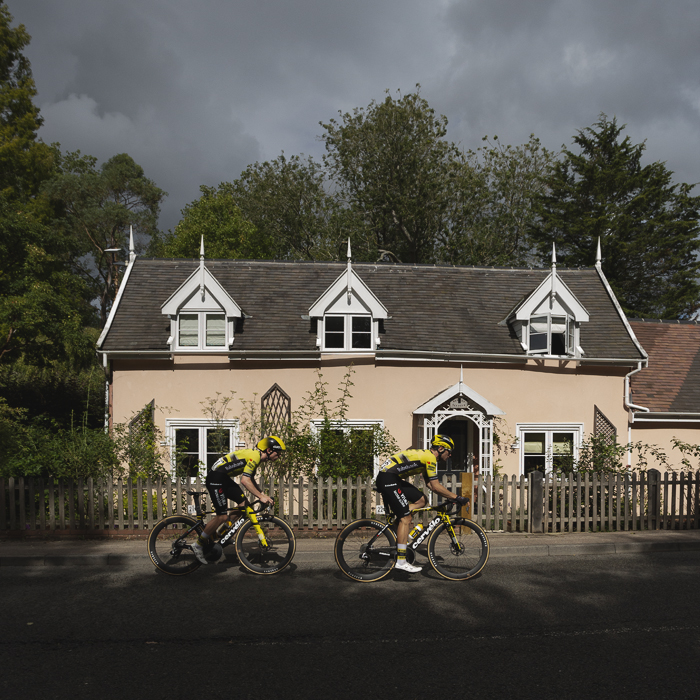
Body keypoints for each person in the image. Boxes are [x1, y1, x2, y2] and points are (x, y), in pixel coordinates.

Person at [375, 434, 468, 573]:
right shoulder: (430, 458)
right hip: (388, 478)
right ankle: (401, 561)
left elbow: (430, 485)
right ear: (441, 449)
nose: (450, 455)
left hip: (392, 477)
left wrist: (450, 497)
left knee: (422, 500)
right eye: (449, 452)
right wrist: (457, 497)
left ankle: (399, 528)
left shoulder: (427, 458)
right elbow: (436, 486)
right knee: (406, 517)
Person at [191, 435, 285, 564]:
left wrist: (263, 494)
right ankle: (198, 545)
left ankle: (221, 533)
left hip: (223, 478)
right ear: (269, 450)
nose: (279, 456)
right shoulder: (255, 456)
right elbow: (244, 481)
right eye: (278, 453)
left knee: (244, 505)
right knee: (222, 516)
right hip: (216, 478)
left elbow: (250, 478)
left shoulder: (255, 456)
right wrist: (261, 497)